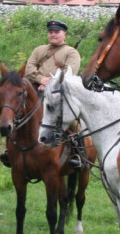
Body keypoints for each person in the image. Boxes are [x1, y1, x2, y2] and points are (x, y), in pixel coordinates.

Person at [14, 19, 85, 170]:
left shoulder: (71, 52)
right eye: (51, 32)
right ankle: (10, 151)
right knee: (15, 116)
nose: (53, 35)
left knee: (73, 123)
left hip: (59, 93)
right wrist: (41, 79)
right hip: (35, 90)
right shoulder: (39, 50)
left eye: (57, 32)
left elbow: (69, 73)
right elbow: (29, 69)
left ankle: (78, 154)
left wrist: (50, 83)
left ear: (64, 34)